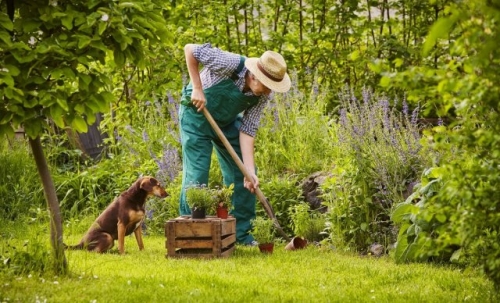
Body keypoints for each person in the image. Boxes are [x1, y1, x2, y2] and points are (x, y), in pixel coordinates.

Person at [178, 43, 291, 245]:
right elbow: (190, 49)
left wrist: (249, 170)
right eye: (266, 86)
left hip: (226, 121)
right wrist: (197, 88)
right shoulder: (231, 63)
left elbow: (248, 129)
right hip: (196, 115)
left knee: (246, 174)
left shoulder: (261, 95)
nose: (267, 93)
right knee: (197, 174)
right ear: (254, 76)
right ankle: (190, 232)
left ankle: (240, 234)